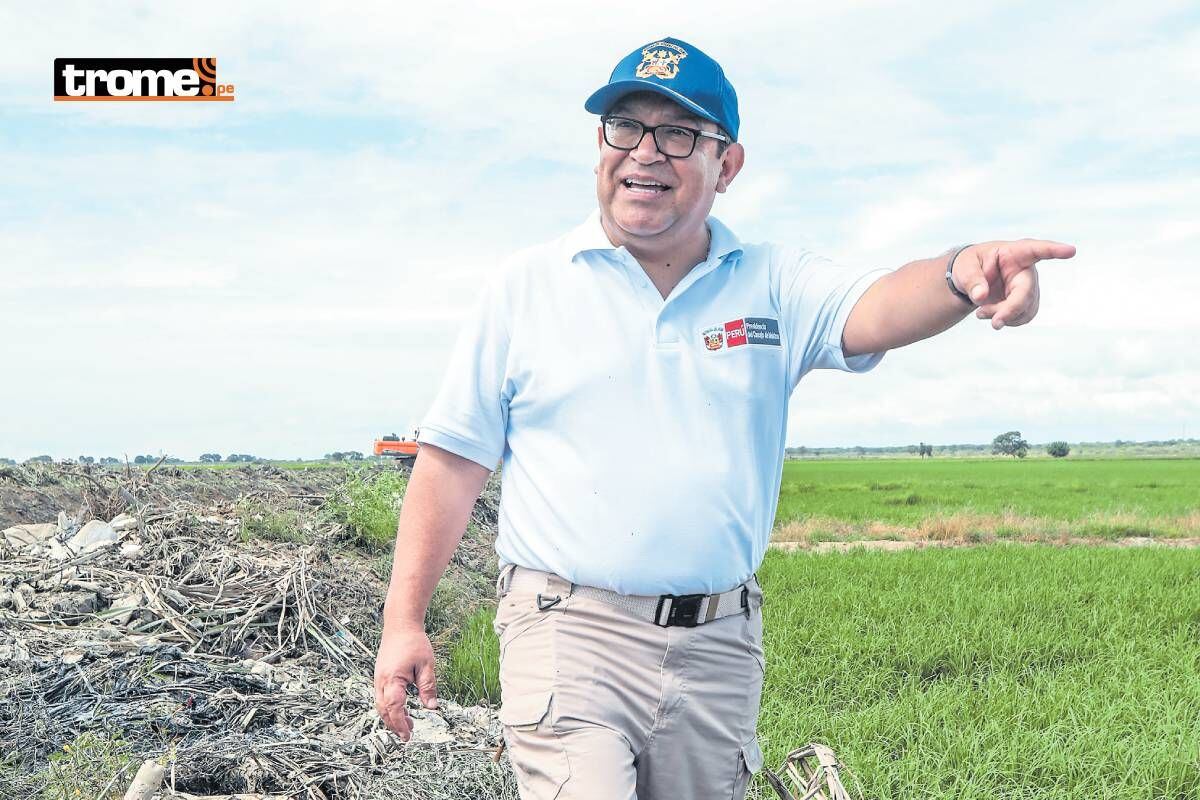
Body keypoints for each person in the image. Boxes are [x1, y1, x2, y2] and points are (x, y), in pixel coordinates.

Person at [374, 36, 1076, 799]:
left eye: (678, 134)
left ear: (726, 164)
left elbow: (878, 304)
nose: (645, 153)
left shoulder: (772, 283)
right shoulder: (527, 287)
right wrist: (402, 621)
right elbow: (452, 463)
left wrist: (960, 272)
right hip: (567, 628)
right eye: (625, 127)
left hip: (717, 643)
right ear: (599, 144)